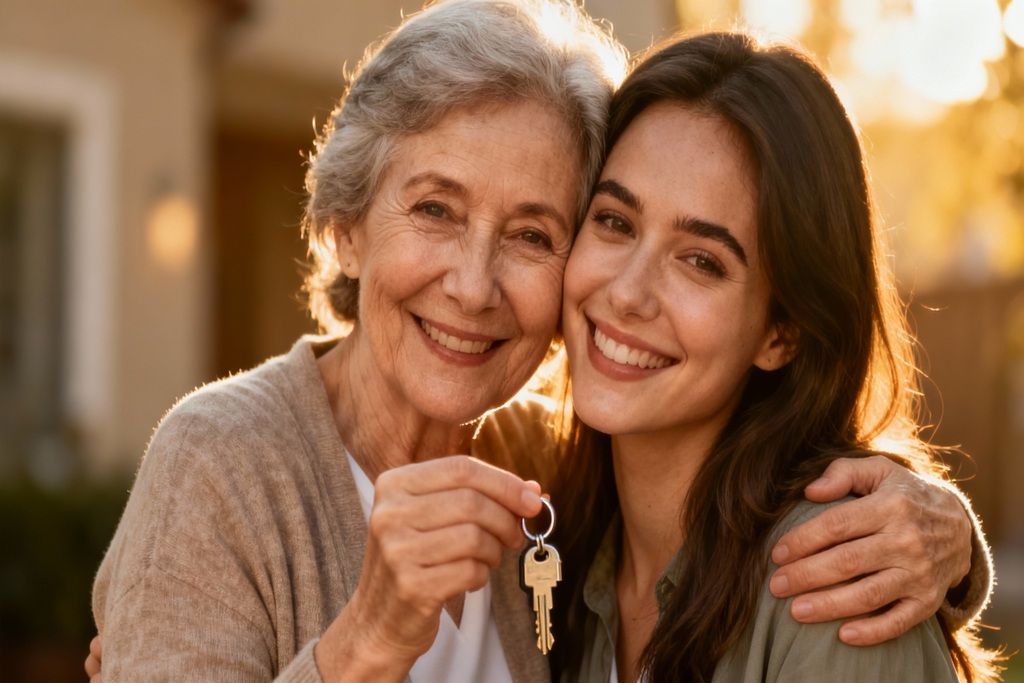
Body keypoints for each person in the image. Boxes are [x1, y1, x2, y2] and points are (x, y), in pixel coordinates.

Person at [87, 2, 989, 681]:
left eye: (531, 232)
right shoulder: (221, 464)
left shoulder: (550, 479)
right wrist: (365, 639)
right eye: (435, 209)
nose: (474, 286)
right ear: (348, 223)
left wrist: (947, 538)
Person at [551, 30, 1000, 682]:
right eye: (616, 221)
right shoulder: (561, 543)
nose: (626, 293)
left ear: (781, 332)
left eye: (701, 261)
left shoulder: (837, 587)